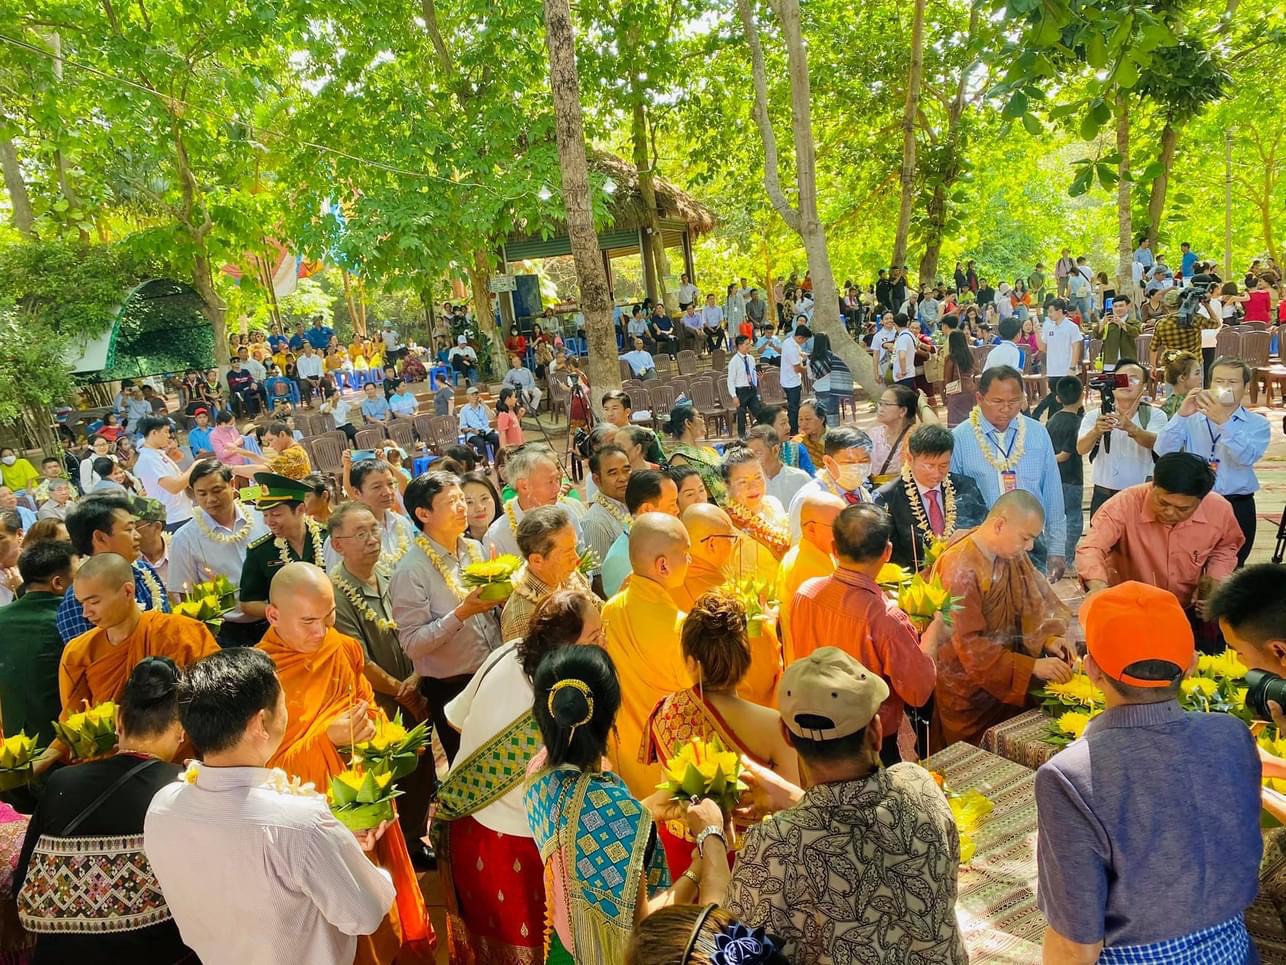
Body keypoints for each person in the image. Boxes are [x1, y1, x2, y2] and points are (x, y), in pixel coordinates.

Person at [1036, 582, 1262, 963]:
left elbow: (1076, 948)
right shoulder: (1233, 735)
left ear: (1091, 670)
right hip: (1237, 954)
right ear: (1191, 666)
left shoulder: (1069, 776)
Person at [146, 647, 396, 965]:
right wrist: (353, 858)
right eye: (283, 701)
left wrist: (334, 842)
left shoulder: (163, 807)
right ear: (261, 722)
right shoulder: (300, 823)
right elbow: (366, 913)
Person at [726, 647, 968, 964]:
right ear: (876, 732)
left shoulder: (773, 847)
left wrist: (711, 840)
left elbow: (734, 952)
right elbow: (856, 822)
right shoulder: (920, 785)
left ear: (787, 735)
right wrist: (792, 801)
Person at [253, 563, 433, 957]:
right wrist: (325, 740)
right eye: (308, 622)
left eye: (329, 616)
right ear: (273, 615)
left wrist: (381, 737)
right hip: (307, 825)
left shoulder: (343, 648)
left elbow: (366, 706)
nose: (321, 631)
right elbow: (258, 773)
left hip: (361, 801)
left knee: (381, 912)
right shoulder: (256, 676)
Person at [526, 645, 729, 962]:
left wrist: (644, 811)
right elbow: (643, 931)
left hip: (565, 945)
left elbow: (579, 830)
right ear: (610, 715)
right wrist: (699, 866)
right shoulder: (618, 810)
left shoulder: (537, 773)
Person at [436, 590, 601, 963]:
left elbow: (456, 720)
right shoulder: (566, 704)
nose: (602, 645)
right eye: (594, 637)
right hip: (518, 847)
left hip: (464, 828)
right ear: (565, 647)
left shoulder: (505, 653)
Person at [16, 656, 192, 962]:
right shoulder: (184, 788)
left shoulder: (62, 782)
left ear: (118, 722)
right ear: (181, 731)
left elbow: (23, 880)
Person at [643, 590, 799, 872]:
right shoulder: (774, 725)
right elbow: (791, 808)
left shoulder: (667, 712)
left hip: (684, 852)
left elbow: (667, 792)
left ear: (691, 662)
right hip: (753, 859)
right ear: (746, 659)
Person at [325, 502, 433, 857]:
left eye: (374, 529)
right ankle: (393, 849)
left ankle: (415, 838)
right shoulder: (336, 593)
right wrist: (402, 691)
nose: (372, 539)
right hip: (380, 702)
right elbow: (360, 660)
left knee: (422, 769)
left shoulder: (390, 575)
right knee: (391, 775)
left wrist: (417, 677)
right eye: (360, 534)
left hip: (414, 686)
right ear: (338, 544)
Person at [789, 505, 935, 764]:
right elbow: (918, 692)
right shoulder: (885, 618)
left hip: (813, 733)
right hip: (869, 743)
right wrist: (935, 635)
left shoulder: (805, 593)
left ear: (834, 548)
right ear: (887, 552)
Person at [930, 490, 1074, 747]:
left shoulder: (1011, 554)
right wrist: (1031, 667)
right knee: (972, 760)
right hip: (970, 690)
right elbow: (969, 646)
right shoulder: (960, 567)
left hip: (1007, 679)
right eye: (1026, 538)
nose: (1029, 547)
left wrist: (1048, 638)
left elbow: (1033, 602)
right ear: (999, 525)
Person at [390, 471, 503, 763]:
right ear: (423, 514)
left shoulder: (474, 548)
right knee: (473, 770)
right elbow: (412, 644)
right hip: (453, 687)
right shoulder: (411, 571)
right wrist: (462, 613)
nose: (463, 507)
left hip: (493, 672)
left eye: (461, 499)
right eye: (452, 502)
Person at [1077, 453, 1242, 637]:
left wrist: (1214, 582)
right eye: (1163, 503)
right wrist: (1098, 587)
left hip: (1185, 608)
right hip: (1130, 610)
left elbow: (1226, 548)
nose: (1170, 512)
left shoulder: (1219, 510)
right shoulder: (1124, 504)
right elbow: (1092, 547)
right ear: (1153, 484)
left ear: (1201, 499)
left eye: (1183, 509)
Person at [599, 512, 693, 797]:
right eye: (685, 554)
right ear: (663, 565)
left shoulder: (611, 609)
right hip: (668, 761)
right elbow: (696, 702)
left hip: (625, 757)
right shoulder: (680, 628)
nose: (690, 561)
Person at [59, 553, 217, 715]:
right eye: (82, 604)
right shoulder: (78, 652)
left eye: (94, 602)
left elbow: (215, 697)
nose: (86, 613)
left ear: (128, 591)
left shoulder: (182, 632)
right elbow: (76, 720)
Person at [950, 365, 1067, 578]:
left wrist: (1057, 548)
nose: (1006, 409)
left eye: (1014, 401)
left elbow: (1052, 492)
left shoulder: (1037, 433)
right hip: (983, 548)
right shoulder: (960, 438)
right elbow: (955, 503)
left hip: (1031, 544)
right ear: (979, 398)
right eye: (997, 401)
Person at [1155, 356, 1269, 565]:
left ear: (1245, 386)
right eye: (1219, 381)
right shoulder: (1192, 417)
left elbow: (1246, 457)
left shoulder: (1257, 423)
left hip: (1237, 502)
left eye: (1232, 382)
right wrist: (1181, 415)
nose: (1225, 387)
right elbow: (1163, 450)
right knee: (1189, 565)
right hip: (1197, 502)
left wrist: (1224, 422)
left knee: (1233, 566)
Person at [168, 460, 269, 647]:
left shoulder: (262, 517)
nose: (210, 499)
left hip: (273, 618)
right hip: (227, 631)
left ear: (232, 484)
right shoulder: (185, 538)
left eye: (217, 490)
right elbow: (183, 594)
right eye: (202, 493)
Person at [57, 494, 171, 644]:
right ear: (100, 538)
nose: (137, 536)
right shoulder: (78, 597)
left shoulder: (144, 571)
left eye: (136, 528)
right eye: (129, 529)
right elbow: (86, 653)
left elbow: (168, 624)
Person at [873, 423, 986, 572]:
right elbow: (884, 555)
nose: (936, 473)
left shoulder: (965, 487)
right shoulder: (887, 498)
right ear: (910, 459)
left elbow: (983, 533)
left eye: (943, 465)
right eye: (929, 466)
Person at [0, 540, 76, 750]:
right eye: (78, 578)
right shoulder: (73, 619)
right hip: (65, 745)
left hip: (12, 747)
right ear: (58, 583)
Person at [1077, 358, 1165, 516]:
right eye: (1122, 378)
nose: (1127, 383)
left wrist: (1132, 428)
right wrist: (1096, 431)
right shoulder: (1095, 416)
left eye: (1134, 379)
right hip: (1104, 494)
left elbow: (1158, 444)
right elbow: (1081, 448)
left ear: (1144, 386)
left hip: (1140, 493)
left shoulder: (1155, 415)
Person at [237, 473, 327, 622]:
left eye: (276, 514)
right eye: (265, 515)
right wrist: (283, 613)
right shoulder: (260, 551)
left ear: (300, 509)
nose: (269, 522)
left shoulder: (328, 539)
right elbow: (248, 603)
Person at [500, 504, 596, 642]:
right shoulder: (522, 617)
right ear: (537, 561)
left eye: (574, 548)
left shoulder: (571, 576)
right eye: (567, 552)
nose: (576, 559)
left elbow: (600, 612)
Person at [483, 446, 583, 559]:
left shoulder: (568, 515)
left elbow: (583, 561)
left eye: (557, 479)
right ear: (524, 486)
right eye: (550, 482)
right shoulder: (497, 537)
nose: (557, 489)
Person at [775, 491, 841, 658]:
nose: (846, 532)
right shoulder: (806, 567)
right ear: (811, 529)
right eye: (838, 526)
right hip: (816, 666)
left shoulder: (815, 553)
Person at [599, 469, 680, 598]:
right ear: (647, 509)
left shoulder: (666, 539)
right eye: (672, 504)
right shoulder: (619, 559)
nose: (677, 510)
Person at [332, 459, 416, 578]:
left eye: (390, 484)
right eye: (377, 487)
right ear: (356, 492)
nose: (387, 492)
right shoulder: (344, 533)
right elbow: (335, 579)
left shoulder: (402, 523)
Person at [787, 426, 874, 538]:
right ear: (828, 461)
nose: (858, 468)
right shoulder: (810, 499)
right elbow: (798, 541)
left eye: (864, 461)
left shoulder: (864, 493)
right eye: (849, 462)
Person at [1044, 377, 1086, 563]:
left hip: (1053, 479)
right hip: (1072, 479)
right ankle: (1067, 559)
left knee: (1054, 518)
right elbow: (1064, 455)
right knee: (1073, 519)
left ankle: (1052, 554)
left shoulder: (1052, 420)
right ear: (1082, 396)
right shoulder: (1077, 423)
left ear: (1058, 398)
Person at [133, 417, 195, 533]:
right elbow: (174, 487)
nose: (169, 435)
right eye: (165, 432)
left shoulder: (158, 454)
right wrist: (195, 466)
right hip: (173, 517)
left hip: (183, 512)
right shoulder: (148, 459)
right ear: (154, 433)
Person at [581, 444, 631, 583]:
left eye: (626, 470)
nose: (623, 478)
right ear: (597, 479)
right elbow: (597, 580)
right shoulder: (595, 523)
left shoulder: (634, 504)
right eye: (613, 473)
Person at [869, 384, 937, 485]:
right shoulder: (873, 435)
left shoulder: (915, 435)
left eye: (886, 404)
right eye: (880, 403)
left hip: (906, 491)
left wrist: (922, 405)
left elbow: (936, 430)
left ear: (903, 411)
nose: (880, 409)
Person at [662, 402, 725, 505]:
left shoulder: (708, 450)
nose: (703, 421)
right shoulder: (679, 458)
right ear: (688, 423)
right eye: (699, 417)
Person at [1032, 299, 1082, 421]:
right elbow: (1042, 347)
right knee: (1056, 397)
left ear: (1060, 311)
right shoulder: (1049, 327)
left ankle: (1038, 412)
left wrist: (1072, 367)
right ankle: (1051, 421)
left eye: (1051, 311)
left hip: (1066, 369)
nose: (1049, 314)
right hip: (1053, 369)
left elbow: (1076, 347)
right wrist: (1037, 333)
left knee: (1064, 396)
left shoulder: (1072, 327)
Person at [744, 425, 809, 510]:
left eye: (758, 453)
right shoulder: (747, 485)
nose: (753, 460)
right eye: (750, 455)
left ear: (775, 450)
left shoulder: (800, 479)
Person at [942, 318, 978, 428]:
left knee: (955, 426)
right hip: (971, 390)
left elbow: (947, 379)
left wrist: (944, 396)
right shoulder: (970, 355)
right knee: (970, 423)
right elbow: (976, 371)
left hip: (956, 392)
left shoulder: (950, 358)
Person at [1093, 293, 1141, 370]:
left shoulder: (1134, 322)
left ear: (1128, 306)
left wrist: (1122, 324)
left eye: (1121, 306)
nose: (1118, 309)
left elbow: (1135, 333)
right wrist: (1102, 325)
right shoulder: (1108, 322)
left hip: (1128, 361)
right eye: (1115, 306)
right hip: (1109, 362)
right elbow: (1097, 336)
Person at [726, 334, 762, 436]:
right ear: (740, 346)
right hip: (741, 390)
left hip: (751, 389)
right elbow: (730, 380)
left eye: (749, 343)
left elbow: (752, 374)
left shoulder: (751, 358)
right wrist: (734, 396)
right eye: (746, 344)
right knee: (741, 415)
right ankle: (741, 436)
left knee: (758, 411)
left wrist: (758, 378)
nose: (749, 346)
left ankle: (761, 431)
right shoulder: (734, 361)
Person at [779, 323, 809, 434]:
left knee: (793, 407)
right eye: (805, 340)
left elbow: (798, 353)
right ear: (800, 337)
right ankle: (793, 432)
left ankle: (792, 430)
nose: (804, 343)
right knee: (794, 409)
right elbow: (797, 368)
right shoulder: (792, 348)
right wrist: (808, 368)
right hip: (792, 382)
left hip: (786, 380)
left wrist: (803, 355)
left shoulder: (788, 342)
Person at [460, 470, 501, 544]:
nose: (480, 508)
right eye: (469, 502)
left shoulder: (512, 529)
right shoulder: (458, 545)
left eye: (484, 498)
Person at [1160, 351, 1203, 419]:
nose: (1201, 377)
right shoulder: (1193, 402)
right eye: (1197, 374)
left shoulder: (1168, 403)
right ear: (1182, 378)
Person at [792, 398, 827, 470]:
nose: (803, 424)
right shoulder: (797, 442)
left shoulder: (834, 441)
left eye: (808, 419)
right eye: (800, 419)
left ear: (821, 419)